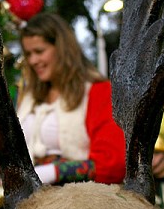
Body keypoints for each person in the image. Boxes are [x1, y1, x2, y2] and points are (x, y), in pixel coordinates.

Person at [16, 12, 126, 185]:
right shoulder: (29, 98)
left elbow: (113, 163)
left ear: (62, 48)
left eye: (39, 51)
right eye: (28, 54)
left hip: (81, 195)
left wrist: (53, 172)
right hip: (32, 193)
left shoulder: (99, 92)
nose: (33, 60)